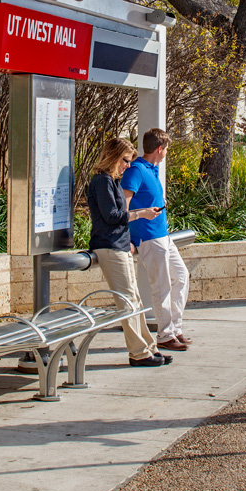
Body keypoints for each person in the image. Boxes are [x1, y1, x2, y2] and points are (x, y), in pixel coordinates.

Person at [87, 137, 171, 368]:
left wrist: (133, 231)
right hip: (109, 245)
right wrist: (141, 214)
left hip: (120, 244)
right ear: (113, 157)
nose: (127, 165)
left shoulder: (111, 181)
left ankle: (147, 347)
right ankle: (138, 353)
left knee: (134, 299)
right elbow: (112, 216)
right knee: (126, 301)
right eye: (125, 160)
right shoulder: (102, 181)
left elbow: (117, 216)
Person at [121, 128, 191, 351]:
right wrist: (126, 237)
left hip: (163, 235)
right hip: (148, 237)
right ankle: (165, 335)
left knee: (181, 276)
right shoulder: (136, 171)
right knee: (161, 286)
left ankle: (175, 328)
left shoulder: (152, 169)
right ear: (159, 149)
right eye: (166, 149)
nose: (166, 153)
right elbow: (124, 204)